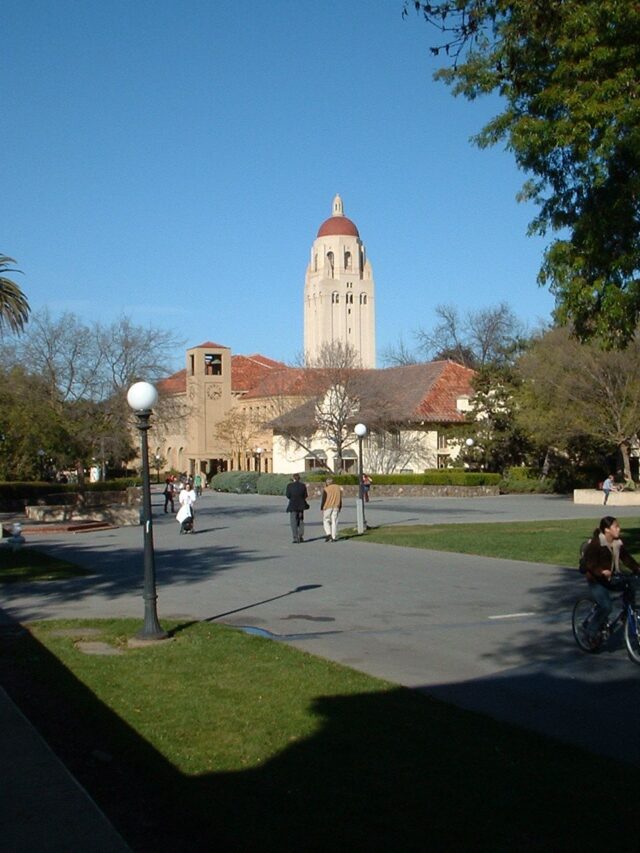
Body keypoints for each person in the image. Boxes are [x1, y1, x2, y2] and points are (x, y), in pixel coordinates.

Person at [582, 515, 640, 639]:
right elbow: (589, 563)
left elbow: (627, 559)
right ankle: (590, 631)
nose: (619, 529)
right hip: (596, 580)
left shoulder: (617, 543)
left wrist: (637, 568)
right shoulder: (597, 543)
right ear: (607, 529)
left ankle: (627, 612)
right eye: (616, 527)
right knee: (606, 606)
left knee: (630, 585)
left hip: (612, 578)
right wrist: (601, 571)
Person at [285, 473, 308, 543]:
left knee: (293, 521)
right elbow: (305, 495)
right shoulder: (303, 486)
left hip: (293, 505)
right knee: (300, 520)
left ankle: (295, 537)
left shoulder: (289, 486)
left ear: (293, 478)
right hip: (301, 505)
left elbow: (288, 495)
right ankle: (300, 536)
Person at [321, 476, 343, 542]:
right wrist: (340, 506)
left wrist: (322, 507)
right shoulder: (338, 488)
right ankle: (333, 537)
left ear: (327, 483)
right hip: (336, 505)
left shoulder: (326, 489)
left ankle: (328, 533)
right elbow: (340, 497)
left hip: (327, 506)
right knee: (334, 521)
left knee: (326, 520)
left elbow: (324, 499)